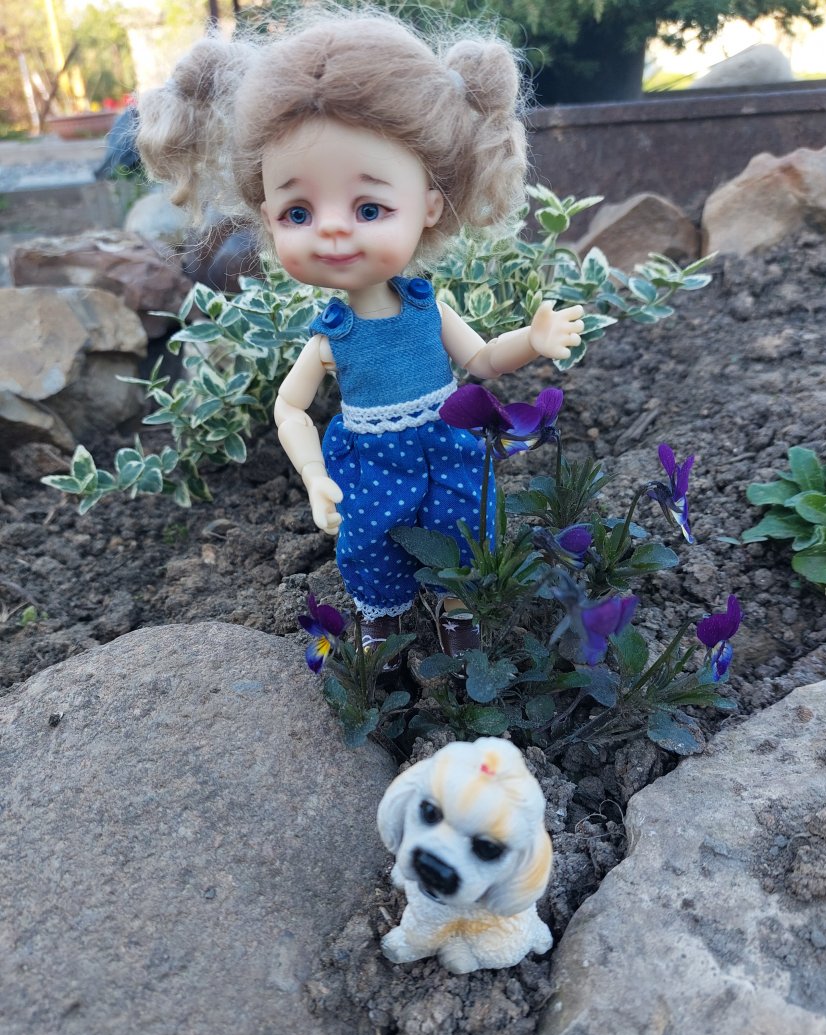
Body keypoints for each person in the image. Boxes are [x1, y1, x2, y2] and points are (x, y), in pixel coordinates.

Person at [136, 9, 584, 656]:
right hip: (370, 460)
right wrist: (314, 474)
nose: (332, 229)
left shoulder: (428, 308)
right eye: (298, 212)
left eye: (369, 207)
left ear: (429, 205)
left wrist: (532, 339)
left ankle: (458, 609)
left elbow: (483, 361)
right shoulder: (332, 334)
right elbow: (290, 407)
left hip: (447, 442)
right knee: (370, 541)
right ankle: (382, 622)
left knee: (464, 524)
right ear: (266, 218)